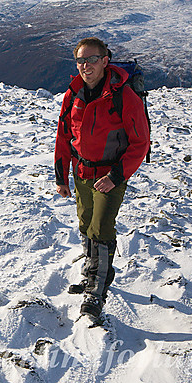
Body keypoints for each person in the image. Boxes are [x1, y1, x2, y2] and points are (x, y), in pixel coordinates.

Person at [54, 37, 150, 319]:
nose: (86, 66)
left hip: (110, 174)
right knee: (85, 225)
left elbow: (139, 142)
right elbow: (64, 137)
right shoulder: (72, 95)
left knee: (101, 229)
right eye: (81, 61)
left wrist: (116, 176)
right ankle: (91, 273)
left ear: (105, 60)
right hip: (82, 171)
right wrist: (62, 177)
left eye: (92, 59)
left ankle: (97, 292)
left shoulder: (124, 96)